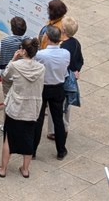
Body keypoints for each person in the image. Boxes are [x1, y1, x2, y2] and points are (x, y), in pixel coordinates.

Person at [0, 37, 45, 179]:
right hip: (32, 108)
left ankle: (3, 168)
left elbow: (5, 77)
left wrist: (13, 59)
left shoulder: (15, 66)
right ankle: (25, 169)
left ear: (23, 50)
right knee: (28, 138)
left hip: (15, 107)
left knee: (8, 138)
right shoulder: (41, 68)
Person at [33, 26, 70, 160]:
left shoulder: (41, 55)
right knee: (58, 120)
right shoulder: (66, 53)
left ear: (47, 37)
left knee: (38, 119)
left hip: (43, 88)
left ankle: (32, 151)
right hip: (58, 88)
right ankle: (61, 150)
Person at [47, 16, 83, 140]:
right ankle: (65, 127)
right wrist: (76, 70)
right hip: (71, 79)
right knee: (66, 105)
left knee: (56, 106)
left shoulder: (63, 47)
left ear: (63, 30)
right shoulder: (76, 43)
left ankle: (54, 131)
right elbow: (80, 60)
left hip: (61, 79)